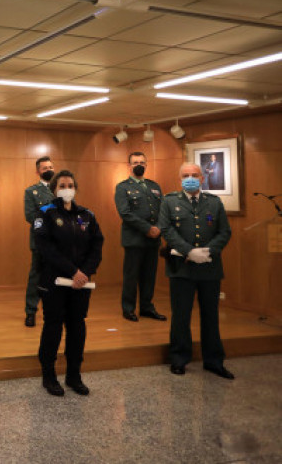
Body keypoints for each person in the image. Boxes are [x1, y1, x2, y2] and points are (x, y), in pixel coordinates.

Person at [158, 163, 233, 379]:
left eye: (194, 175)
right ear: (179, 178)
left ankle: (214, 361)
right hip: (182, 268)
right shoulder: (169, 201)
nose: (190, 178)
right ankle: (179, 359)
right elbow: (166, 229)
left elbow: (224, 231)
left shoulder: (214, 202)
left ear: (202, 178)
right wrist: (189, 251)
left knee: (211, 316)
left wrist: (209, 251)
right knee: (181, 316)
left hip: (210, 268)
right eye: (185, 175)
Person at [33, 170, 103, 397]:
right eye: (62, 184)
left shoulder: (87, 215)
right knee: (53, 327)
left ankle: (74, 375)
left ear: (75, 188)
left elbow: (96, 246)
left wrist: (84, 273)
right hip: (54, 281)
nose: (67, 188)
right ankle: (49, 376)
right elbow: (45, 249)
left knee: (77, 327)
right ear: (54, 188)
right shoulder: (45, 213)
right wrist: (73, 271)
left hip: (80, 283)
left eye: (70, 184)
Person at [114, 151, 165, 323]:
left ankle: (146, 307)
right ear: (128, 166)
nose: (139, 165)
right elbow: (125, 213)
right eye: (135, 162)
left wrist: (158, 228)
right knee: (131, 276)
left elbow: (162, 211)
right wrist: (147, 228)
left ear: (146, 164)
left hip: (153, 239)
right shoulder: (122, 187)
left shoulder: (154, 186)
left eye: (142, 162)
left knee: (149, 276)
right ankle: (128, 309)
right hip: (134, 239)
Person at [23, 156, 55, 327]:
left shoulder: (61, 188)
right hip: (41, 241)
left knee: (56, 278)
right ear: (38, 172)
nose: (49, 170)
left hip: (60, 243)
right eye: (45, 168)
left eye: (51, 166)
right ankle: (30, 312)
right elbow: (30, 216)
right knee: (36, 277)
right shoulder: (31, 191)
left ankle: (54, 311)